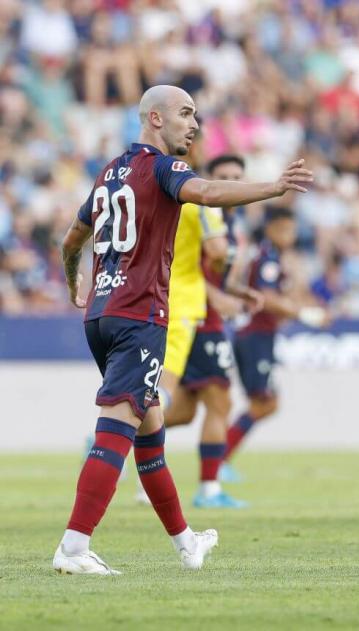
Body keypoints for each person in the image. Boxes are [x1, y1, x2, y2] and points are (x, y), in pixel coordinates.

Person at [55, 84, 313, 575]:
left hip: (101, 314)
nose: (194, 124)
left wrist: (76, 282)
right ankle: (73, 546)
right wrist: (274, 187)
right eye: (185, 114)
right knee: (118, 427)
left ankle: (186, 542)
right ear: (154, 118)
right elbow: (209, 192)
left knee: (149, 432)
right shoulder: (164, 168)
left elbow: (71, 239)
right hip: (139, 315)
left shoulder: (111, 173)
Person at [164, 154, 262, 508]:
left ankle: (118, 433)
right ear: (213, 180)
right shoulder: (204, 211)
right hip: (198, 318)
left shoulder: (229, 223)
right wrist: (218, 297)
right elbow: (189, 268)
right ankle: (209, 489)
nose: (232, 182)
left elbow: (216, 272)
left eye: (238, 176)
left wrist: (237, 292)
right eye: (225, 177)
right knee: (220, 401)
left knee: (186, 409)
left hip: (204, 316)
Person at [133, 149, 229, 505]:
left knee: (181, 407)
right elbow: (218, 252)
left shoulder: (149, 191)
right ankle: (117, 433)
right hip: (184, 303)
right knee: (163, 392)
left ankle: (133, 455)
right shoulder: (203, 201)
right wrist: (224, 277)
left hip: (147, 296)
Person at [218, 206, 331, 473]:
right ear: (270, 229)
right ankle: (219, 460)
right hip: (254, 336)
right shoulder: (267, 258)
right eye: (284, 229)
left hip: (261, 336)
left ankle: (220, 459)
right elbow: (267, 299)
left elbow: (285, 295)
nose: (289, 235)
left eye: (291, 229)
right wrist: (305, 313)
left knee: (267, 403)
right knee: (264, 403)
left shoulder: (275, 257)